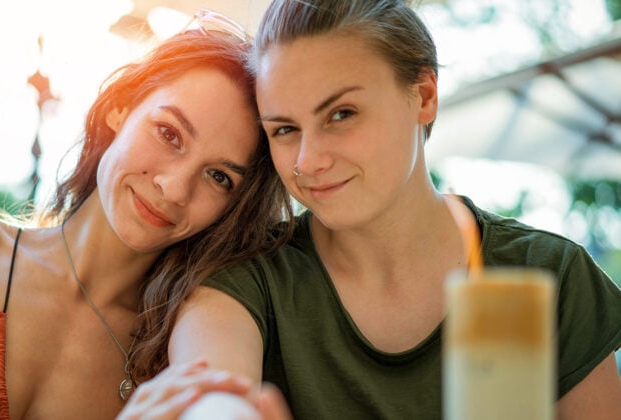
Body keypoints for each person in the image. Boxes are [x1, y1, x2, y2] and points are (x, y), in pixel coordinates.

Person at [125, 0, 621, 418]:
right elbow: (213, 399)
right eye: (284, 129)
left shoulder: (550, 275)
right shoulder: (245, 282)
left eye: (341, 114)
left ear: (423, 96)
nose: (308, 162)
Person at [0, 15, 296, 420]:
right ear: (120, 108)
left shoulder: (174, 350)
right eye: (168, 133)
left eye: (218, 177)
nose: (175, 188)